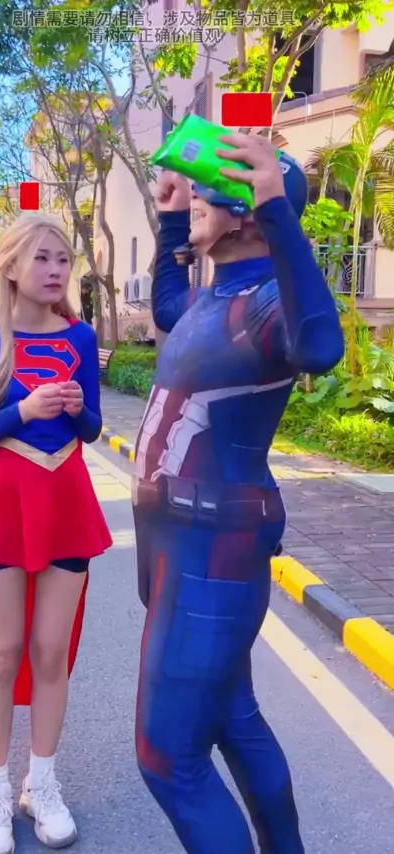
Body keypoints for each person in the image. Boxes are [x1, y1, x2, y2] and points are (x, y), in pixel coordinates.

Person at [132, 134, 344, 854]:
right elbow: (169, 309)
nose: (193, 193)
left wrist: (278, 208)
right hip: (178, 540)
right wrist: (169, 221)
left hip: (212, 546)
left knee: (167, 757)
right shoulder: (215, 296)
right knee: (231, 714)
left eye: (205, 188)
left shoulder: (268, 304)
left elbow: (320, 346)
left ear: (249, 209)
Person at [0, 213, 112, 854]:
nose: (55, 270)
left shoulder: (81, 335)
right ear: (11, 266)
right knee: (3, 652)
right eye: (42, 258)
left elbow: (91, 429)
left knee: (50, 651)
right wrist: (22, 410)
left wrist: (79, 410)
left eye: (63, 260)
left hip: (66, 500)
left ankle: (42, 784)